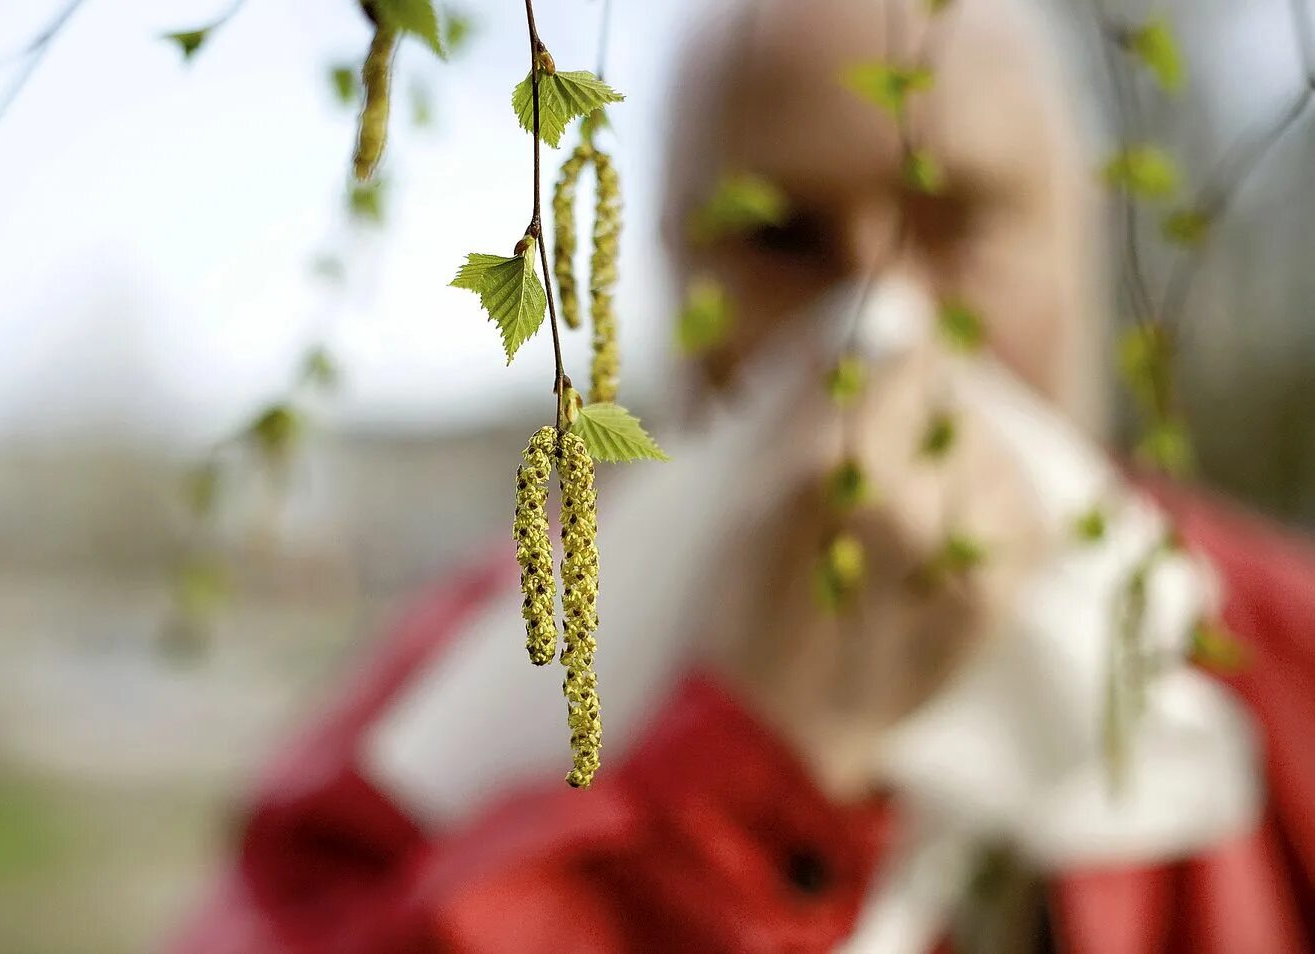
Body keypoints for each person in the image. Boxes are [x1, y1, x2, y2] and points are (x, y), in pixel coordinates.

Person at [174, 0, 1315, 951]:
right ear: (673, 264)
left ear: (1078, 232)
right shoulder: (476, 676)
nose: (879, 328)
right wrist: (742, 782)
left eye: (950, 217)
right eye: (782, 240)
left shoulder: (1283, 658)